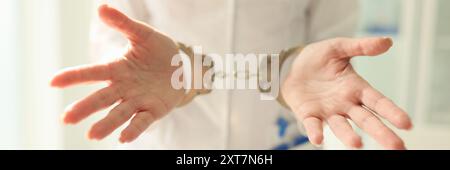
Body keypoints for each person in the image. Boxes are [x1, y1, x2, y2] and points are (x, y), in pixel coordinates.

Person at [50, 0, 413, 150]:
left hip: (276, 137)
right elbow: (114, 33)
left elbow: (329, 43)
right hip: (172, 136)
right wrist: (141, 70)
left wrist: (291, 79)